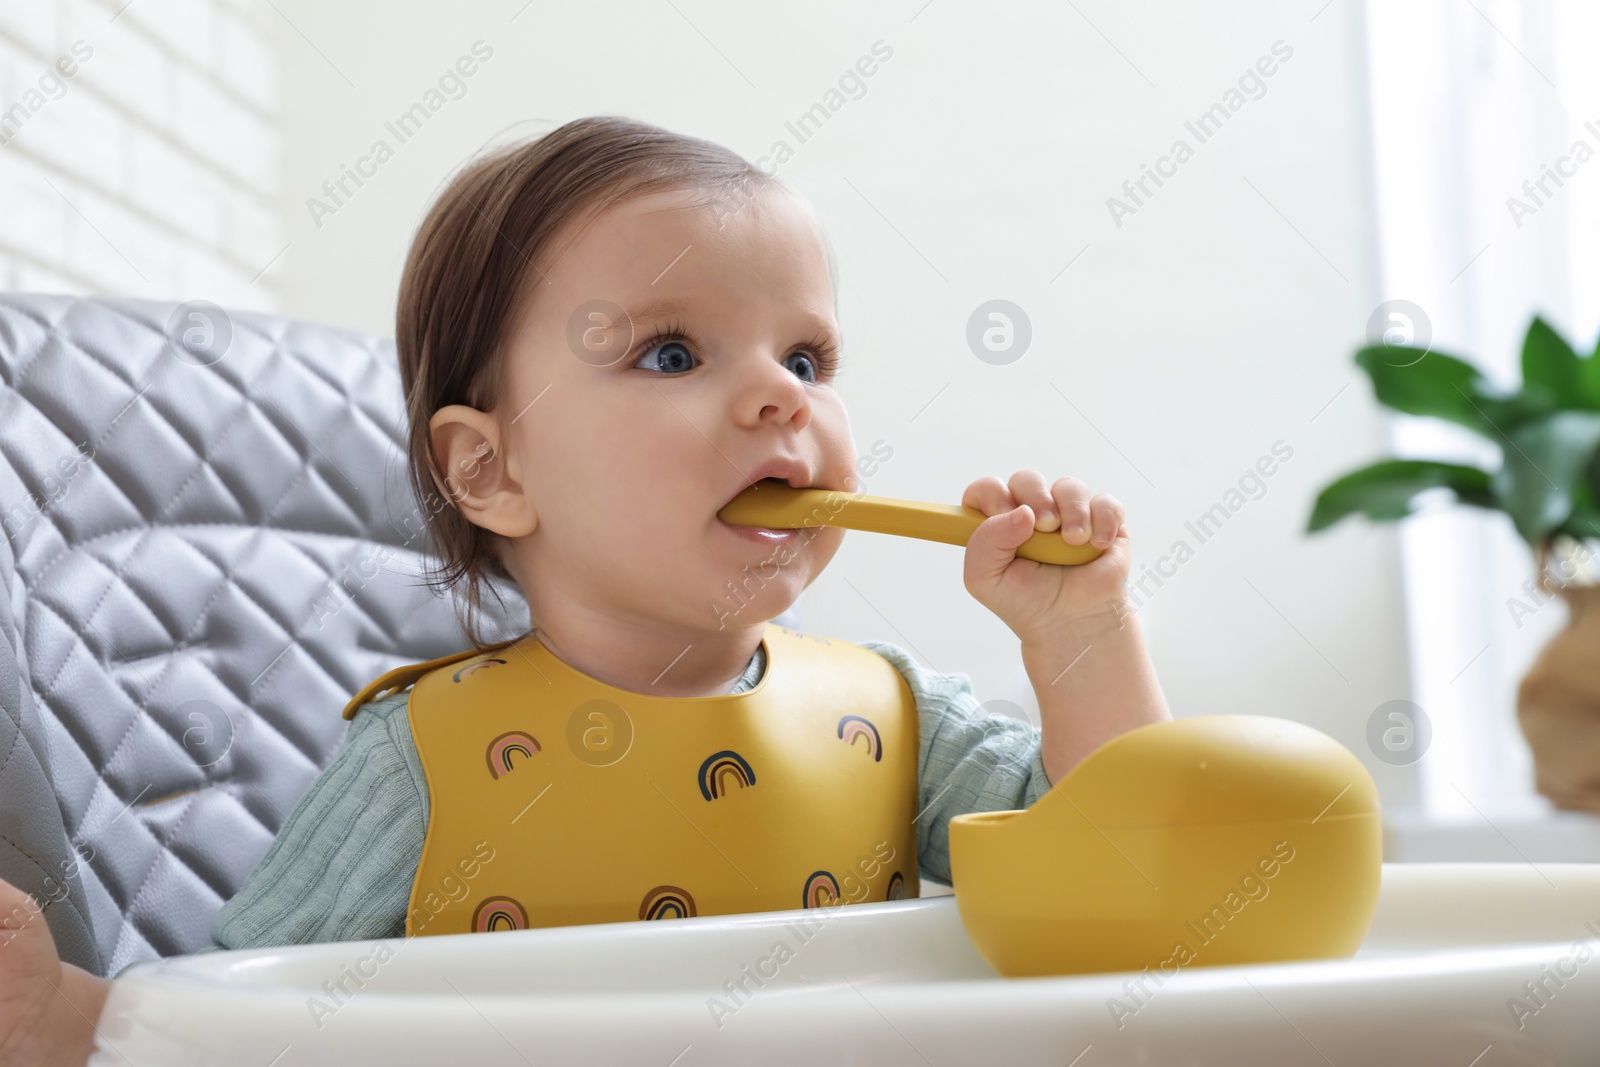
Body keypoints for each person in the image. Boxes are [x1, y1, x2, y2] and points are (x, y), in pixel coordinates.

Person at [0, 114, 1169, 1064]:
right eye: (671, 353)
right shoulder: (426, 761)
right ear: (492, 471)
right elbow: (244, 1020)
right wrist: (81, 1024)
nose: (781, 397)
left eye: (806, 357)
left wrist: (1084, 641)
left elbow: (1120, 883)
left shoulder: (899, 721)